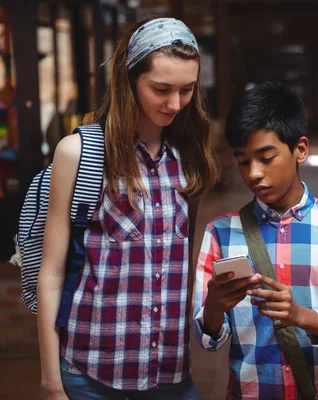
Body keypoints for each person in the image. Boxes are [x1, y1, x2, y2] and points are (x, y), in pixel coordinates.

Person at [37, 17, 217, 399]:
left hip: (171, 374)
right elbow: (51, 274)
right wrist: (52, 384)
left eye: (187, 90)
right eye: (161, 89)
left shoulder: (190, 156)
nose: (174, 104)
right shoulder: (80, 153)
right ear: (130, 80)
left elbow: (182, 263)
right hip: (90, 374)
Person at [194, 82, 318, 399]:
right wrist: (214, 308)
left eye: (266, 157)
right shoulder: (220, 233)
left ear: (300, 149)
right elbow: (209, 339)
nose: (254, 174)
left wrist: (302, 316)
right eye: (243, 160)